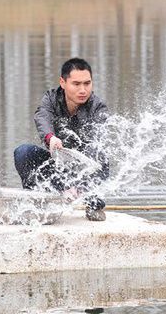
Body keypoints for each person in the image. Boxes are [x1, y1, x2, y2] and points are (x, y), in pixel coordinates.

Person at [13, 58, 109, 221]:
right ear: (63, 82)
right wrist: (51, 138)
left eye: (87, 83)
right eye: (76, 84)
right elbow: (42, 117)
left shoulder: (98, 107)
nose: (83, 90)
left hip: (86, 169)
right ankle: (35, 203)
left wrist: (77, 182)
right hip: (58, 165)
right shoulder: (50, 99)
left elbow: (96, 141)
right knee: (23, 152)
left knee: (98, 153)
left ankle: (91, 203)